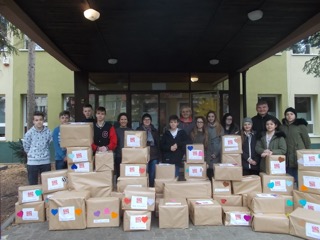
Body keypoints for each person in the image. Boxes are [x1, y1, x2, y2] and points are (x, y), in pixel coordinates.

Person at [279, 107, 311, 183]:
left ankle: (299, 191)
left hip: (298, 153)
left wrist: (308, 153)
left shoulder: (301, 126)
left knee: (299, 175)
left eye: (291, 114)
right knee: (288, 176)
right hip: (286, 154)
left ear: (295, 115)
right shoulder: (282, 127)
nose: (289, 116)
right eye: (287, 114)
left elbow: (307, 141)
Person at [23, 111, 52, 185]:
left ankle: (44, 197)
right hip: (32, 163)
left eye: (40, 119)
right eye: (36, 120)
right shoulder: (29, 133)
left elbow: (49, 142)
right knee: (33, 185)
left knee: (46, 184)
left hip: (45, 162)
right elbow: (26, 146)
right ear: (33, 121)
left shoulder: (48, 132)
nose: (39, 122)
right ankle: (36, 197)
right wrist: (32, 155)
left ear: (43, 120)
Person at [136, 113, 160, 187]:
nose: (147, 121)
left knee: (152, 173)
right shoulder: (138, 130)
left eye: (148, 119)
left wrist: (159, 156)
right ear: (142, 121)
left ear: (151, 121)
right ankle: (143, 187)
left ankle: (151, 188)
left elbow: (158, 144)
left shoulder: (154, 130)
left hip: (153, 154)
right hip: (142, 155)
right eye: (145, 119)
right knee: (143, 173)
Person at [206, 111, 224, 180]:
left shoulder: (219, 127)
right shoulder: (205, 127)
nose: (210, 118)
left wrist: (216, 153)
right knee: (208, 172)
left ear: (215, 117)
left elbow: (222, 141)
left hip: (217, 152)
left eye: (212, 116)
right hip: (208, 151)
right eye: (209, 116)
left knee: (216, 173)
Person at [114, 113, 132, 179]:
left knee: (128, 174)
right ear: (119, 121)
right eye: (121, 119)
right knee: (119, 174)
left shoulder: (131, 131)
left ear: (127, 121)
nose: (123, 121)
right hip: (119, 156)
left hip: (129, 156)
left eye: (125, 119)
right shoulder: (116, 131)